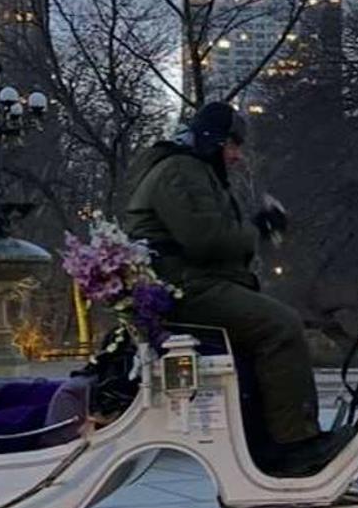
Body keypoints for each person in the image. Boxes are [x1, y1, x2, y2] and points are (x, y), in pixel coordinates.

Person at [121, 101, 339, 475]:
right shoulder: (181, 170)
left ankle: (270, 438)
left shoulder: (191, 169)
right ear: (212, 141)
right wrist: (259, 228)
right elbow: (206, 240)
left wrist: (253, 229)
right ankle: (294, 444)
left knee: (273, 323)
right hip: (185, 291)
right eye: (232, 146)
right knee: (280, 326)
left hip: (191, 285)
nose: (236, 157)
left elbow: (211, 237)